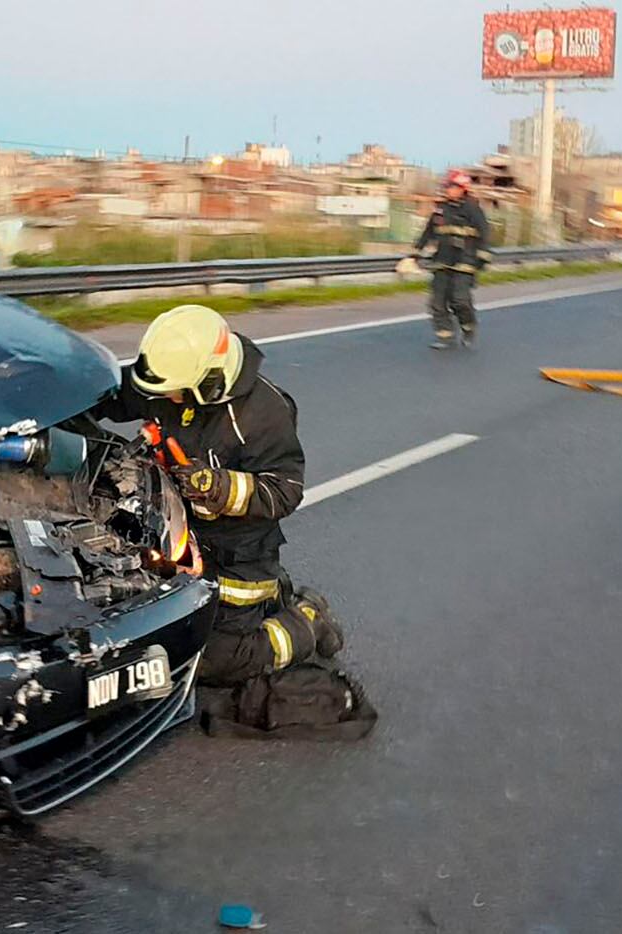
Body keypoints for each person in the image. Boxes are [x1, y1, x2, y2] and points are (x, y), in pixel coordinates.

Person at [92, 304, 374, 738]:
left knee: (210, 660)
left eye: (176, 392)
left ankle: (305, 622)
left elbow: (284, 490)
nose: (165, 400)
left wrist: (220, 487)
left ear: (211, 380)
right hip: (175, 537)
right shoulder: (170, 378)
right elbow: (114, 397)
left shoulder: (264, 414)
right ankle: (276, 597)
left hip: (238, 558)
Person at [412, 170, 492, 350]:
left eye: (452, 187)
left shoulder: (473, 209)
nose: (448, 190)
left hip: (465, 262)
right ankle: (445, 336)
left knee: (460, 300)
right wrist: (414, 254)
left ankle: (468, 327)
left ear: (462, 189)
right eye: (447, 186)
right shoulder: (440, 210)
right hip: (442, 262)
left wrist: (482, 256)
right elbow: (427, 233)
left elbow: (484, 233)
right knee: (437, 302)